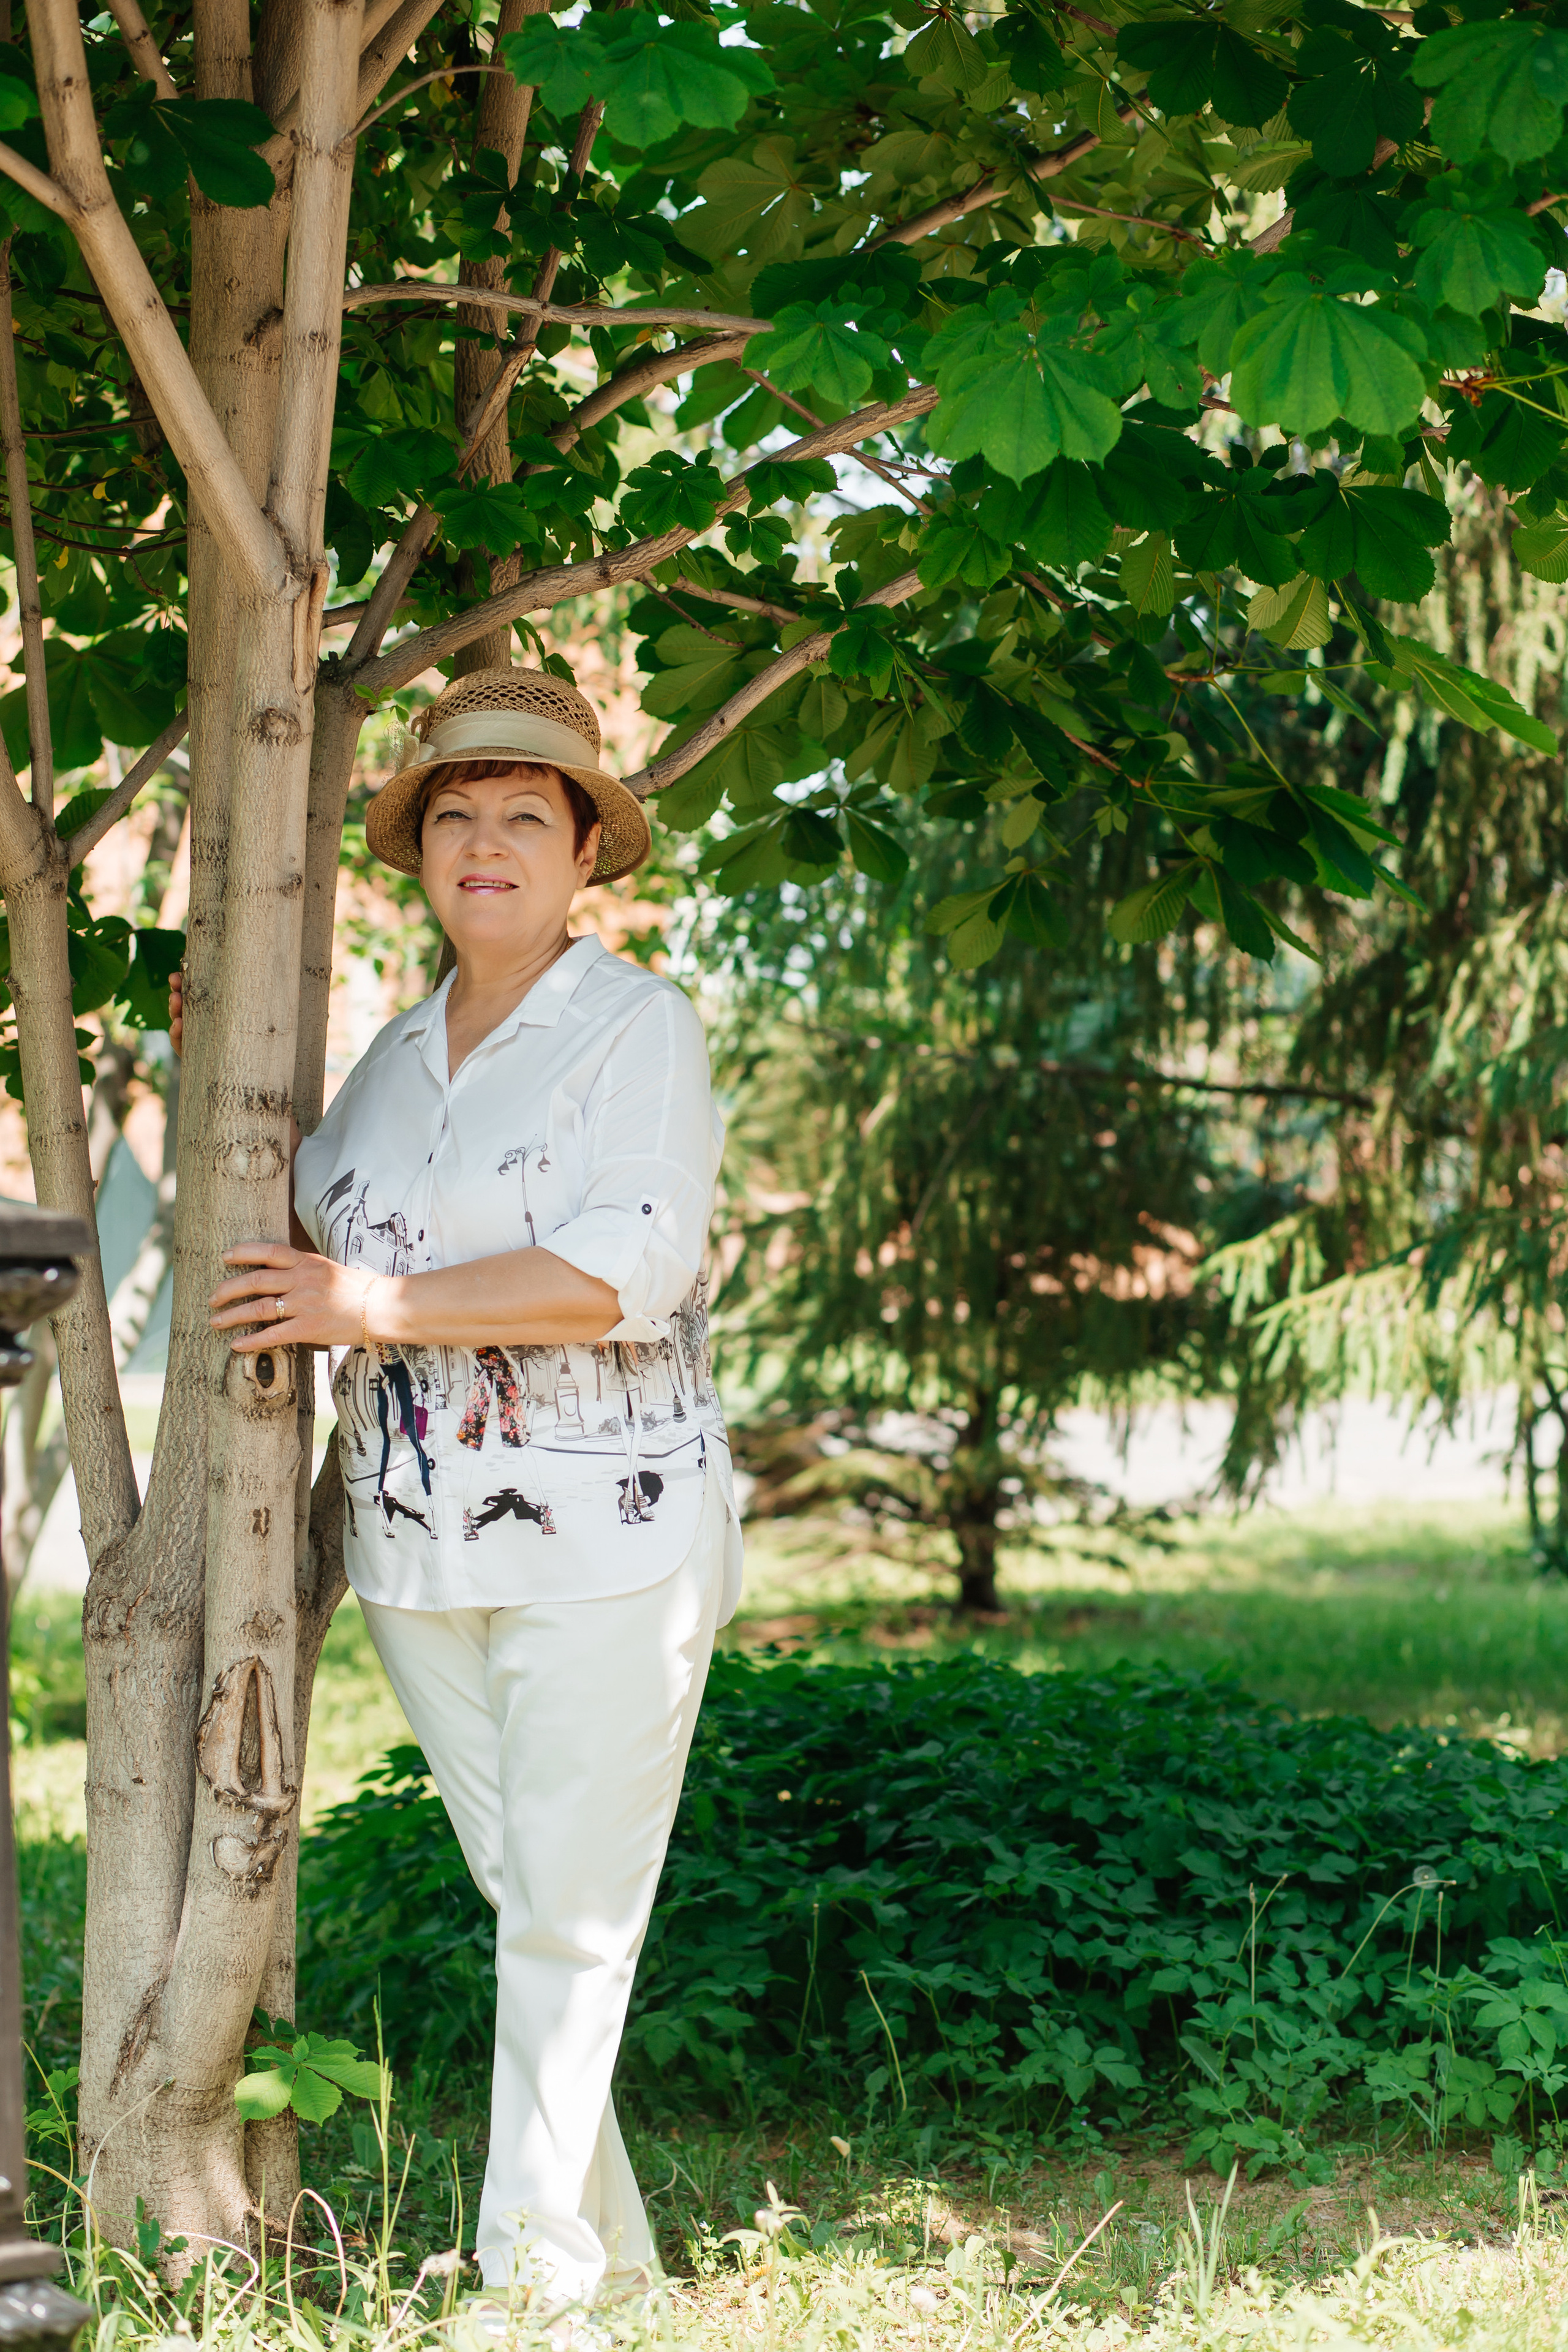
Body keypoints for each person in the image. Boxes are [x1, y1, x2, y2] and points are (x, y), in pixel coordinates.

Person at [191, 667, 743, 2317]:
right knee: (542, 1914)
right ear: (419, 855)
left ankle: (533, 2292)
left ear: (588, 856)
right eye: (456, 817)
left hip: (611, 1544)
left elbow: (626, 1270)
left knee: (571, 1927)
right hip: (419, 1550)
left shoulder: (638, 1028)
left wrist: (373, 1309)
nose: (486, 845)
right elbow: (301, 1225)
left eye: (526, 818)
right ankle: (619, 2278)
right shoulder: (386, 1059)